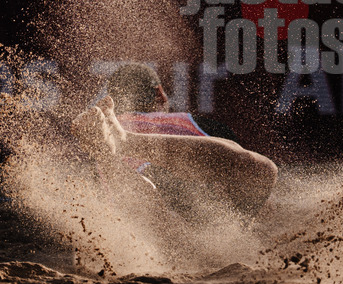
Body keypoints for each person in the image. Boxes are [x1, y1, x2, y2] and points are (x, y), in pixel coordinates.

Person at [71, 63, 278, 220]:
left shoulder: (98, 130)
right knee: (263, 168)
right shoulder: (190, 122)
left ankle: (114, 153)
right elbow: (251, 190)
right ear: (159, 94)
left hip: (140, 217)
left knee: (149, 209)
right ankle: (128, 142)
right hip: (201, 216)